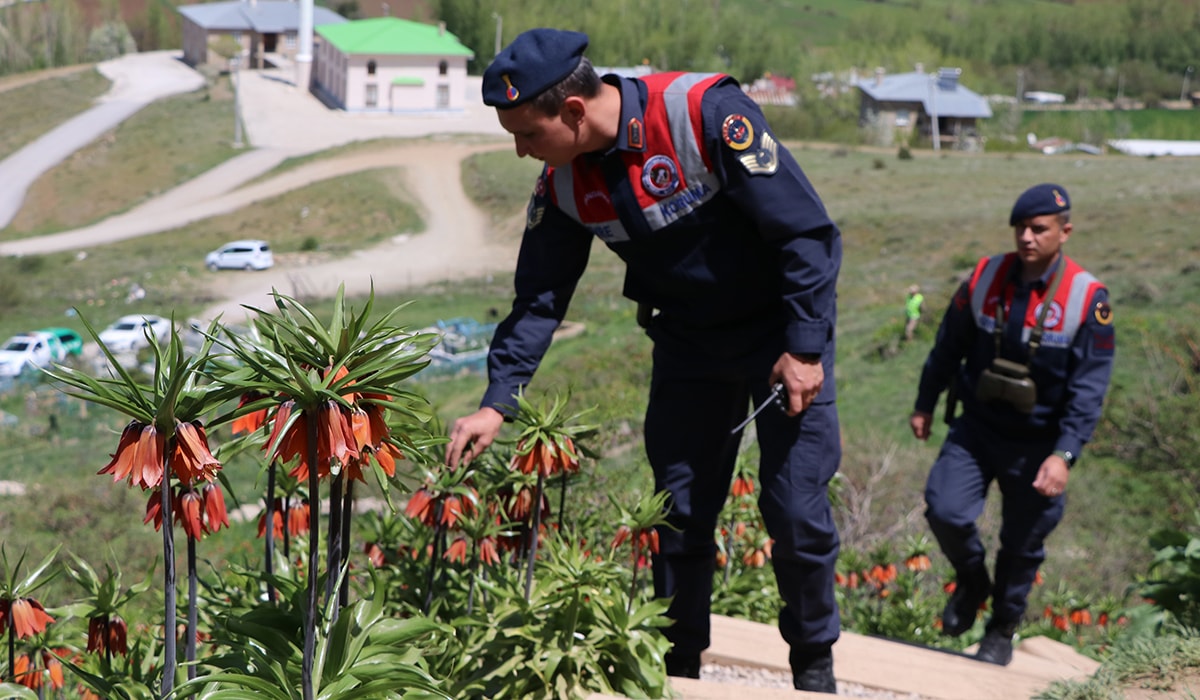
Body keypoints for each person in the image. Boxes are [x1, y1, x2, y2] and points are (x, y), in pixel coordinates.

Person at [444, 28, 843, 693]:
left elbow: (806, 233)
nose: (521, 150)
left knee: (796, 514)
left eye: (528, 134)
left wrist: (804, 348)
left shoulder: (702, 115)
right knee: (679, 514)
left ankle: (815, 669)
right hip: (688, 347)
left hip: (781, 342)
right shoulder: (566, 182)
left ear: (573, 112)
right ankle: (676, 667)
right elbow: (539, 298)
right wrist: (497, 400)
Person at [909, 183, 1115, 666]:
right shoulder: (985, 276)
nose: (1026, 237)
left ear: (1065, 232)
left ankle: (1001, 629)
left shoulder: (1088, 298)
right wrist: (924, 402)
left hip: (1040, 442)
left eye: (1038, 229)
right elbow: (948, 345)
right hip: (978, 429)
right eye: (1020, 228)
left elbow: (1090, 388)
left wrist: (1064, 455)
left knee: (1022, 544)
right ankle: (972, 581)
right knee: (945, 509)